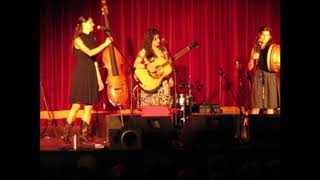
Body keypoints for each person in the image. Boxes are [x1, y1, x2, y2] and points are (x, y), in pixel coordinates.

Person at [61, 16, 112, 143]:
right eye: (91, 22)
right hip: (81, 73)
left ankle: (83, 135)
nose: (93, 24)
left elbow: (94, 60)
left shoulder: (93, 38)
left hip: (91, 74)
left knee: (89, 107)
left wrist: (99, 79)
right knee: (77, 105)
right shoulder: (78, 39)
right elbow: (89, 53)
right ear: (83, 24)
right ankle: (65, 134)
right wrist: (105, 44)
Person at [134, 28, 174, 108]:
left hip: (162, 83)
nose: (159, 40)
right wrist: (147, 67)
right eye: (155, 39)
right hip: (150, 83)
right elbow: (136, 64)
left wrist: (171, 78)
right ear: (150, 40)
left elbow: (167, 66)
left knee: (163, 110)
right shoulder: (144, 51)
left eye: (158, 38)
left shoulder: (164, 50)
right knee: (149, 110)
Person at [247, 26, 280, 114]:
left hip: (270, 76)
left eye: (267, 35)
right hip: (259, 76)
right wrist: (252, 58)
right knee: (256, 106)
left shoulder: (273, 48)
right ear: (259, 36)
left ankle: (270, 127)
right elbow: (250, 67)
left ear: (270, 37)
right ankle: (253, 126)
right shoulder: (255, 49)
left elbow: (276, 63)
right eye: (263, 35)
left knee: (270, 106)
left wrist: (260, 56)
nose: (265, 37)